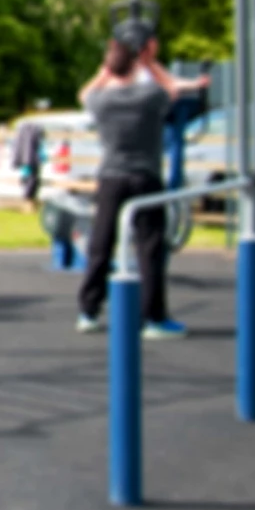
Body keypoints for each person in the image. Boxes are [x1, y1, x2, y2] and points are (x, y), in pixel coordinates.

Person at [75, 27, 206, 338]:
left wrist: (105, 71)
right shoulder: (150, 97)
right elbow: (171, 88)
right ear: (137, 64)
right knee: (150, 249)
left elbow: (84, 93)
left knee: (100, 246)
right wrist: (149, 61)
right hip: (145, 178)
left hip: (111, 177)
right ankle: (154, 317)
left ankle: (88, 311)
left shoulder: (101, 101)